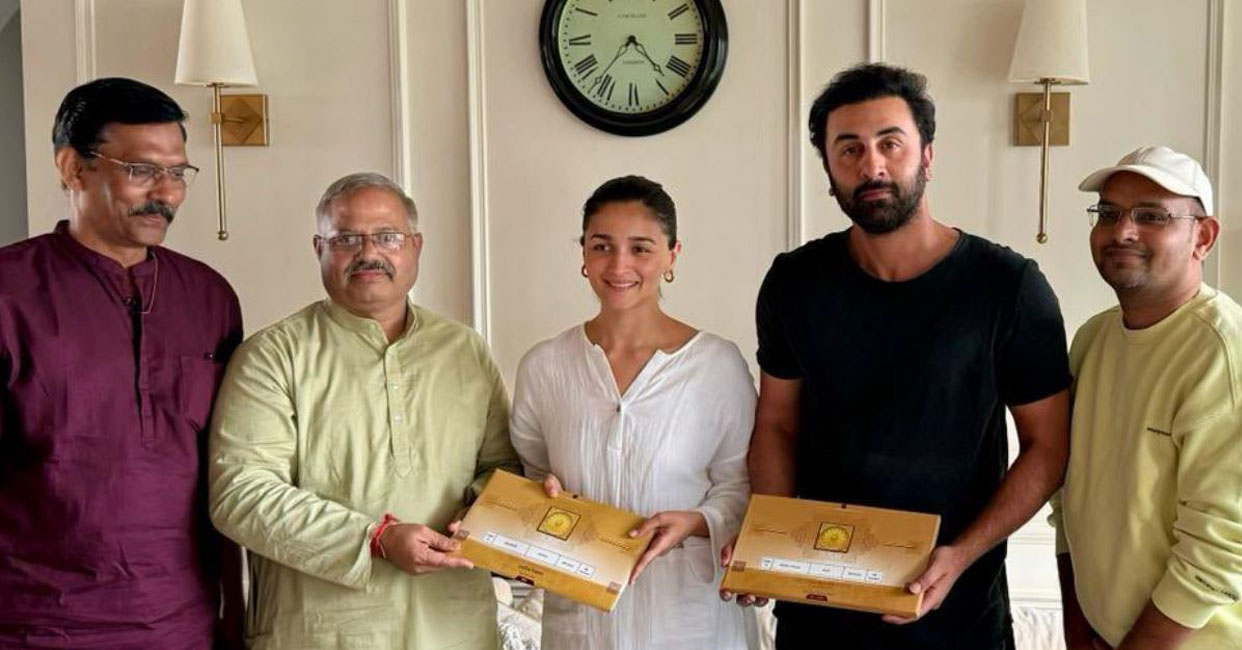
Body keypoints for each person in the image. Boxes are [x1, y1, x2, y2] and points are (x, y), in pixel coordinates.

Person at [728, 63, 1072, 650]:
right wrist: (772, 539)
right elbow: (777, 424)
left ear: (927, 156)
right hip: (819, 614)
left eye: (890, 143)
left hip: (956, 612)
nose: (873, 166)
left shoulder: (1008, 287)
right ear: (830, 170)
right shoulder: (794, 282)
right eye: (849, 150)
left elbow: (1048, 446)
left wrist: (961, 555)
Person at [207, 172, 520, 649]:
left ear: (415, 246)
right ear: (319, 248)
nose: (369, 253)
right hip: (319, 631)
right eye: (347, 238)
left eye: (388, 237)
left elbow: (501, 467)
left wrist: (479, 511)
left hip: (452, 627)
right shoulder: (274, 355)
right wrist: (374, 539)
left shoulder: (463, 349)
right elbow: (241, 494)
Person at [0, 77, 243, 649]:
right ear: (72, 167)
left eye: (178, 172)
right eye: (140, 170)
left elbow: (231, 468)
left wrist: (236, 617)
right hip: (34, 624)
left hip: (182, 623)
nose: (167, 193)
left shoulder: (209, 296)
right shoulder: (10, 291)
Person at [510, 175, 757, 650]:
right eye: (602, 246)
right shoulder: (544, 366)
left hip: (689, 622)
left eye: (641, 248)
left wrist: (696, 520)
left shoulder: (716, 365)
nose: (620, 264)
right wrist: (540, 500)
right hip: (581, 624)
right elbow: (533, 475)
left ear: (672, 256)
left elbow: (742, 486)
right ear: (583, 253)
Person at [1051, 146, 1242, 650]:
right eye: (1109, 213)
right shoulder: (1092, 340)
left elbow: (1220, 554)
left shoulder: (1226, 354)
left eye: (1151, 216)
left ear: (1202, 237)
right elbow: (1069, 507)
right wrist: (1079, 630)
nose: (1122, 231)